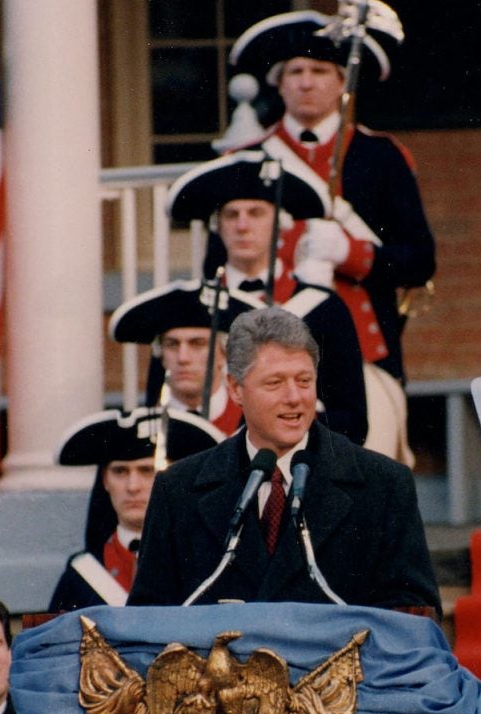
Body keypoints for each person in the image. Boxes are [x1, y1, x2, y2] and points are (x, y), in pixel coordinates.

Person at [128, 307, 439, 612]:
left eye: (304, 381)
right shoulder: (178, 489)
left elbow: (412, 616)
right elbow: (149, 616)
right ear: (236, 389)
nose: (294, 397)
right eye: (275, 383)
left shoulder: (383, 484)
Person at [228, 8, 433, 458]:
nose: (306, 81)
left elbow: (420, 259)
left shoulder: (381, 157)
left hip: (362, 352)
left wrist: (352, 252)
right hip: (269, 350)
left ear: (342, 82)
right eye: (295, 71)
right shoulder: (248, 160)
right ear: (278, 83)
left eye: (319, 70)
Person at [167, 150, 370, 447]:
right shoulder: (187, 309)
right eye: (232, 214)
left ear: (280, 223)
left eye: (256, 213)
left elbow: (352, 422)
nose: (243, 225)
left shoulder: (323, 308)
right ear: (218, 224)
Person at [47, 406, 224, 612]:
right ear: (105, 480)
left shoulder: (204, 566)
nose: (132, 486)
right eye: (120, 471)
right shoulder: (83, 574)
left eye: (147, 471)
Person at [111, 279, 261, 436]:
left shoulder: (254, 426)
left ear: (225, 354)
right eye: (172, 344)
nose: (183, 358)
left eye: (197, 344)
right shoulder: (140, 433)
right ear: (160, 354)